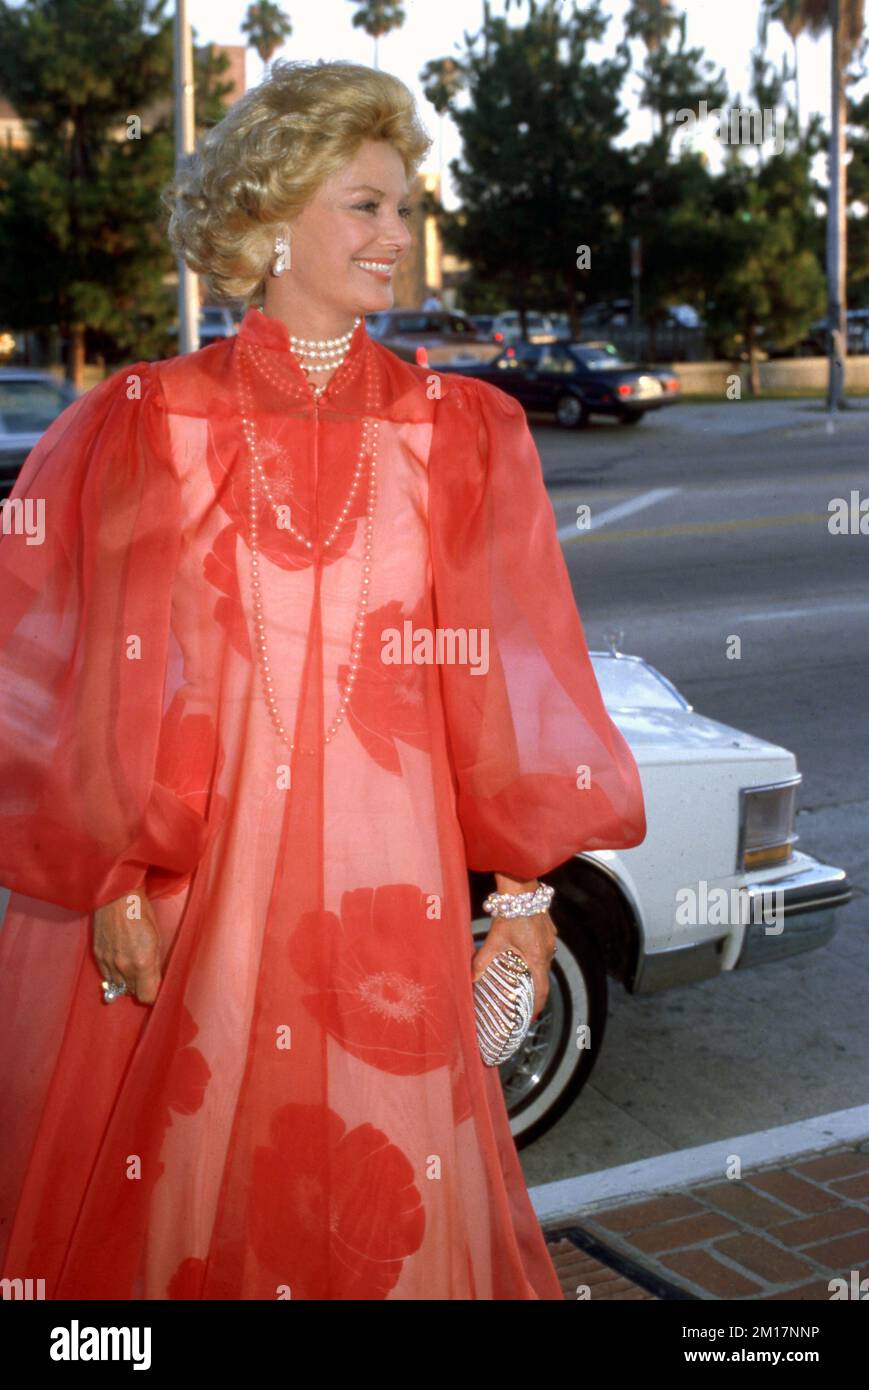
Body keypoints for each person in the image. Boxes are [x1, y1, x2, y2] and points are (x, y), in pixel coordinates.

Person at [0, 58, 646, 1300]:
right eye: (364, 204)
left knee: (376, 1183)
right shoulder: (150, 421)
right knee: (196, 1180)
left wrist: (520, 886)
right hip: (204, 878)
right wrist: (112, 877)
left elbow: (497, 678)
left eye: (404, 208)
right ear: (268, 215)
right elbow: (89, 677)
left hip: (385, 878)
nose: (396, 235)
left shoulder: (458, 433)